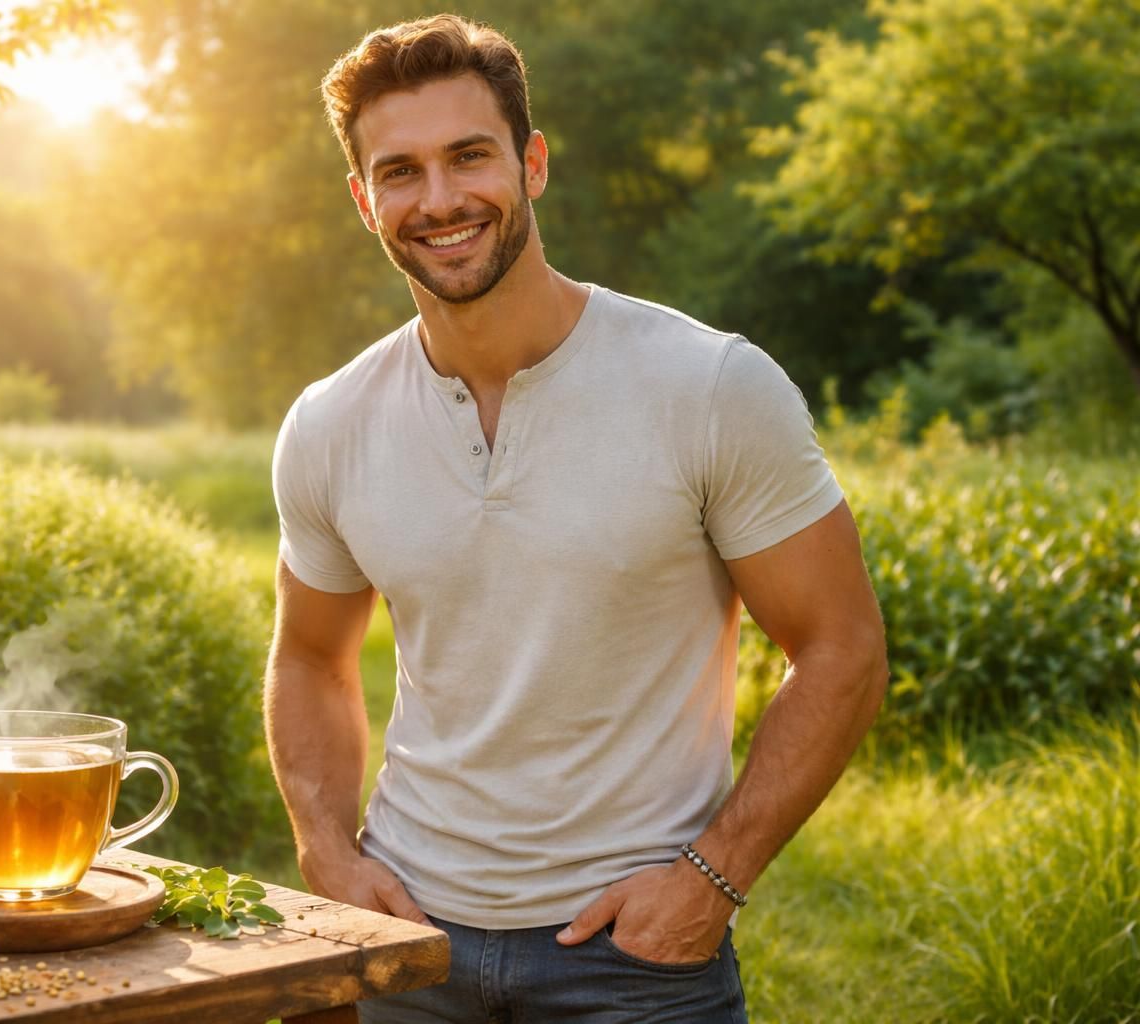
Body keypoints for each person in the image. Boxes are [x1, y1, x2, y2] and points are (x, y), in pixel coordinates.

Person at [264, 14, 889, 1023]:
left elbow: (842, 647)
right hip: (407, 940)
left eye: (470, 156)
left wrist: (714, 877)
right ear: (363, 200)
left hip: (634, 957)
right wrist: (327, 853)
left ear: (533, 163)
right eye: (401, 171)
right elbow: (308, 658)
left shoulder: (709, 385)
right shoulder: (330, 422)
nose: (441, 199)